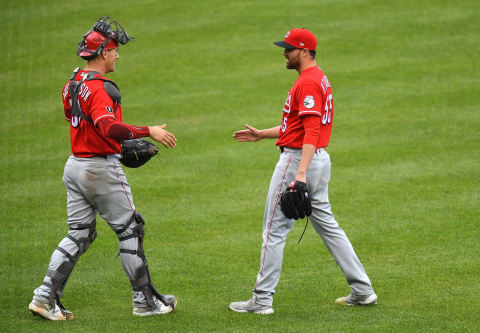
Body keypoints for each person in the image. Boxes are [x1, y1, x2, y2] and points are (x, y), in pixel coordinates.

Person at [28, 17, 178, 320]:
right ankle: (145, 301)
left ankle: (44, 297)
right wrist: (148, 130)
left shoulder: (73, 83)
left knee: (79, 233)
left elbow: (76, 117)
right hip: (99, 169)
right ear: (104, 52)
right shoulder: (100, 89)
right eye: (115, 50)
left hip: (75, 166)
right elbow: (108, 127)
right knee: (131, 230)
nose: (118, 54)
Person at [229, 28, 377, 315]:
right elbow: (296, 126)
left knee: (273, 231)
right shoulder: (318, 78)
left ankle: (262, 300)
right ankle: (362, 290)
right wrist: (264, 134)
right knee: (329, 226)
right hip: (318, 160)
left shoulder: (307, 83)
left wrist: (299, 175)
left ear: (305, 51)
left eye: (289, 48)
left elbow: (310, 130)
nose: (284, 52)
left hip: (299, 162)